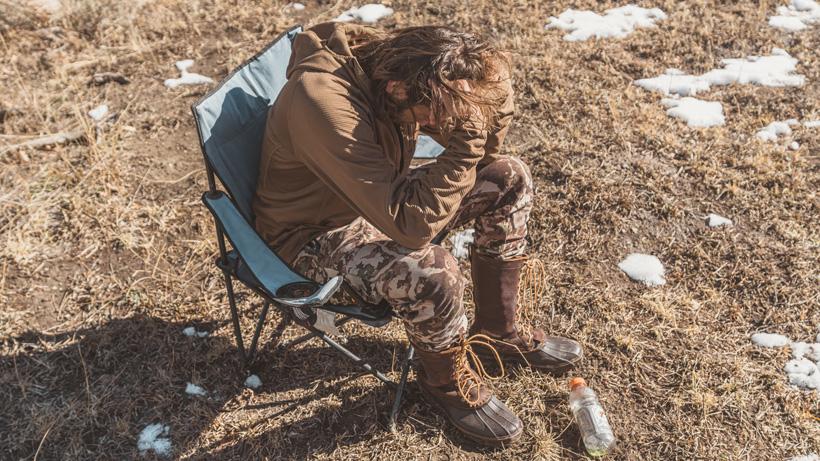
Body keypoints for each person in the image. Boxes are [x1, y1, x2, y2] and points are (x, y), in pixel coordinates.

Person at [253, 21, 583, 446]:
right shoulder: (321, 102)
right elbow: (412, 229)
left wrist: (488, 96)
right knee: (432, 272)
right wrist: (465, 147)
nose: (435, 124)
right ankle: (444, 384)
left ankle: (497, 333)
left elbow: (491, 156)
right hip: (309, 237)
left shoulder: (398, 67)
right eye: (432, 116)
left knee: (507, 178)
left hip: (372, 200)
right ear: (396, 90)